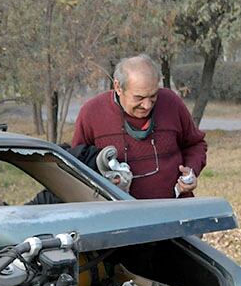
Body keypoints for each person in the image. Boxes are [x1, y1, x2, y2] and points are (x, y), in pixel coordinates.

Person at [71, 54, 206, 200]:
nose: (147, 105)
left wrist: (191, 171)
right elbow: (77, 164)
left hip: (174, 210)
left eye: (153, 96)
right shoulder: (92, 112)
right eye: (139, 98)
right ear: (118, 87)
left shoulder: (171, 103)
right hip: (119, 215)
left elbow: (195, 144)